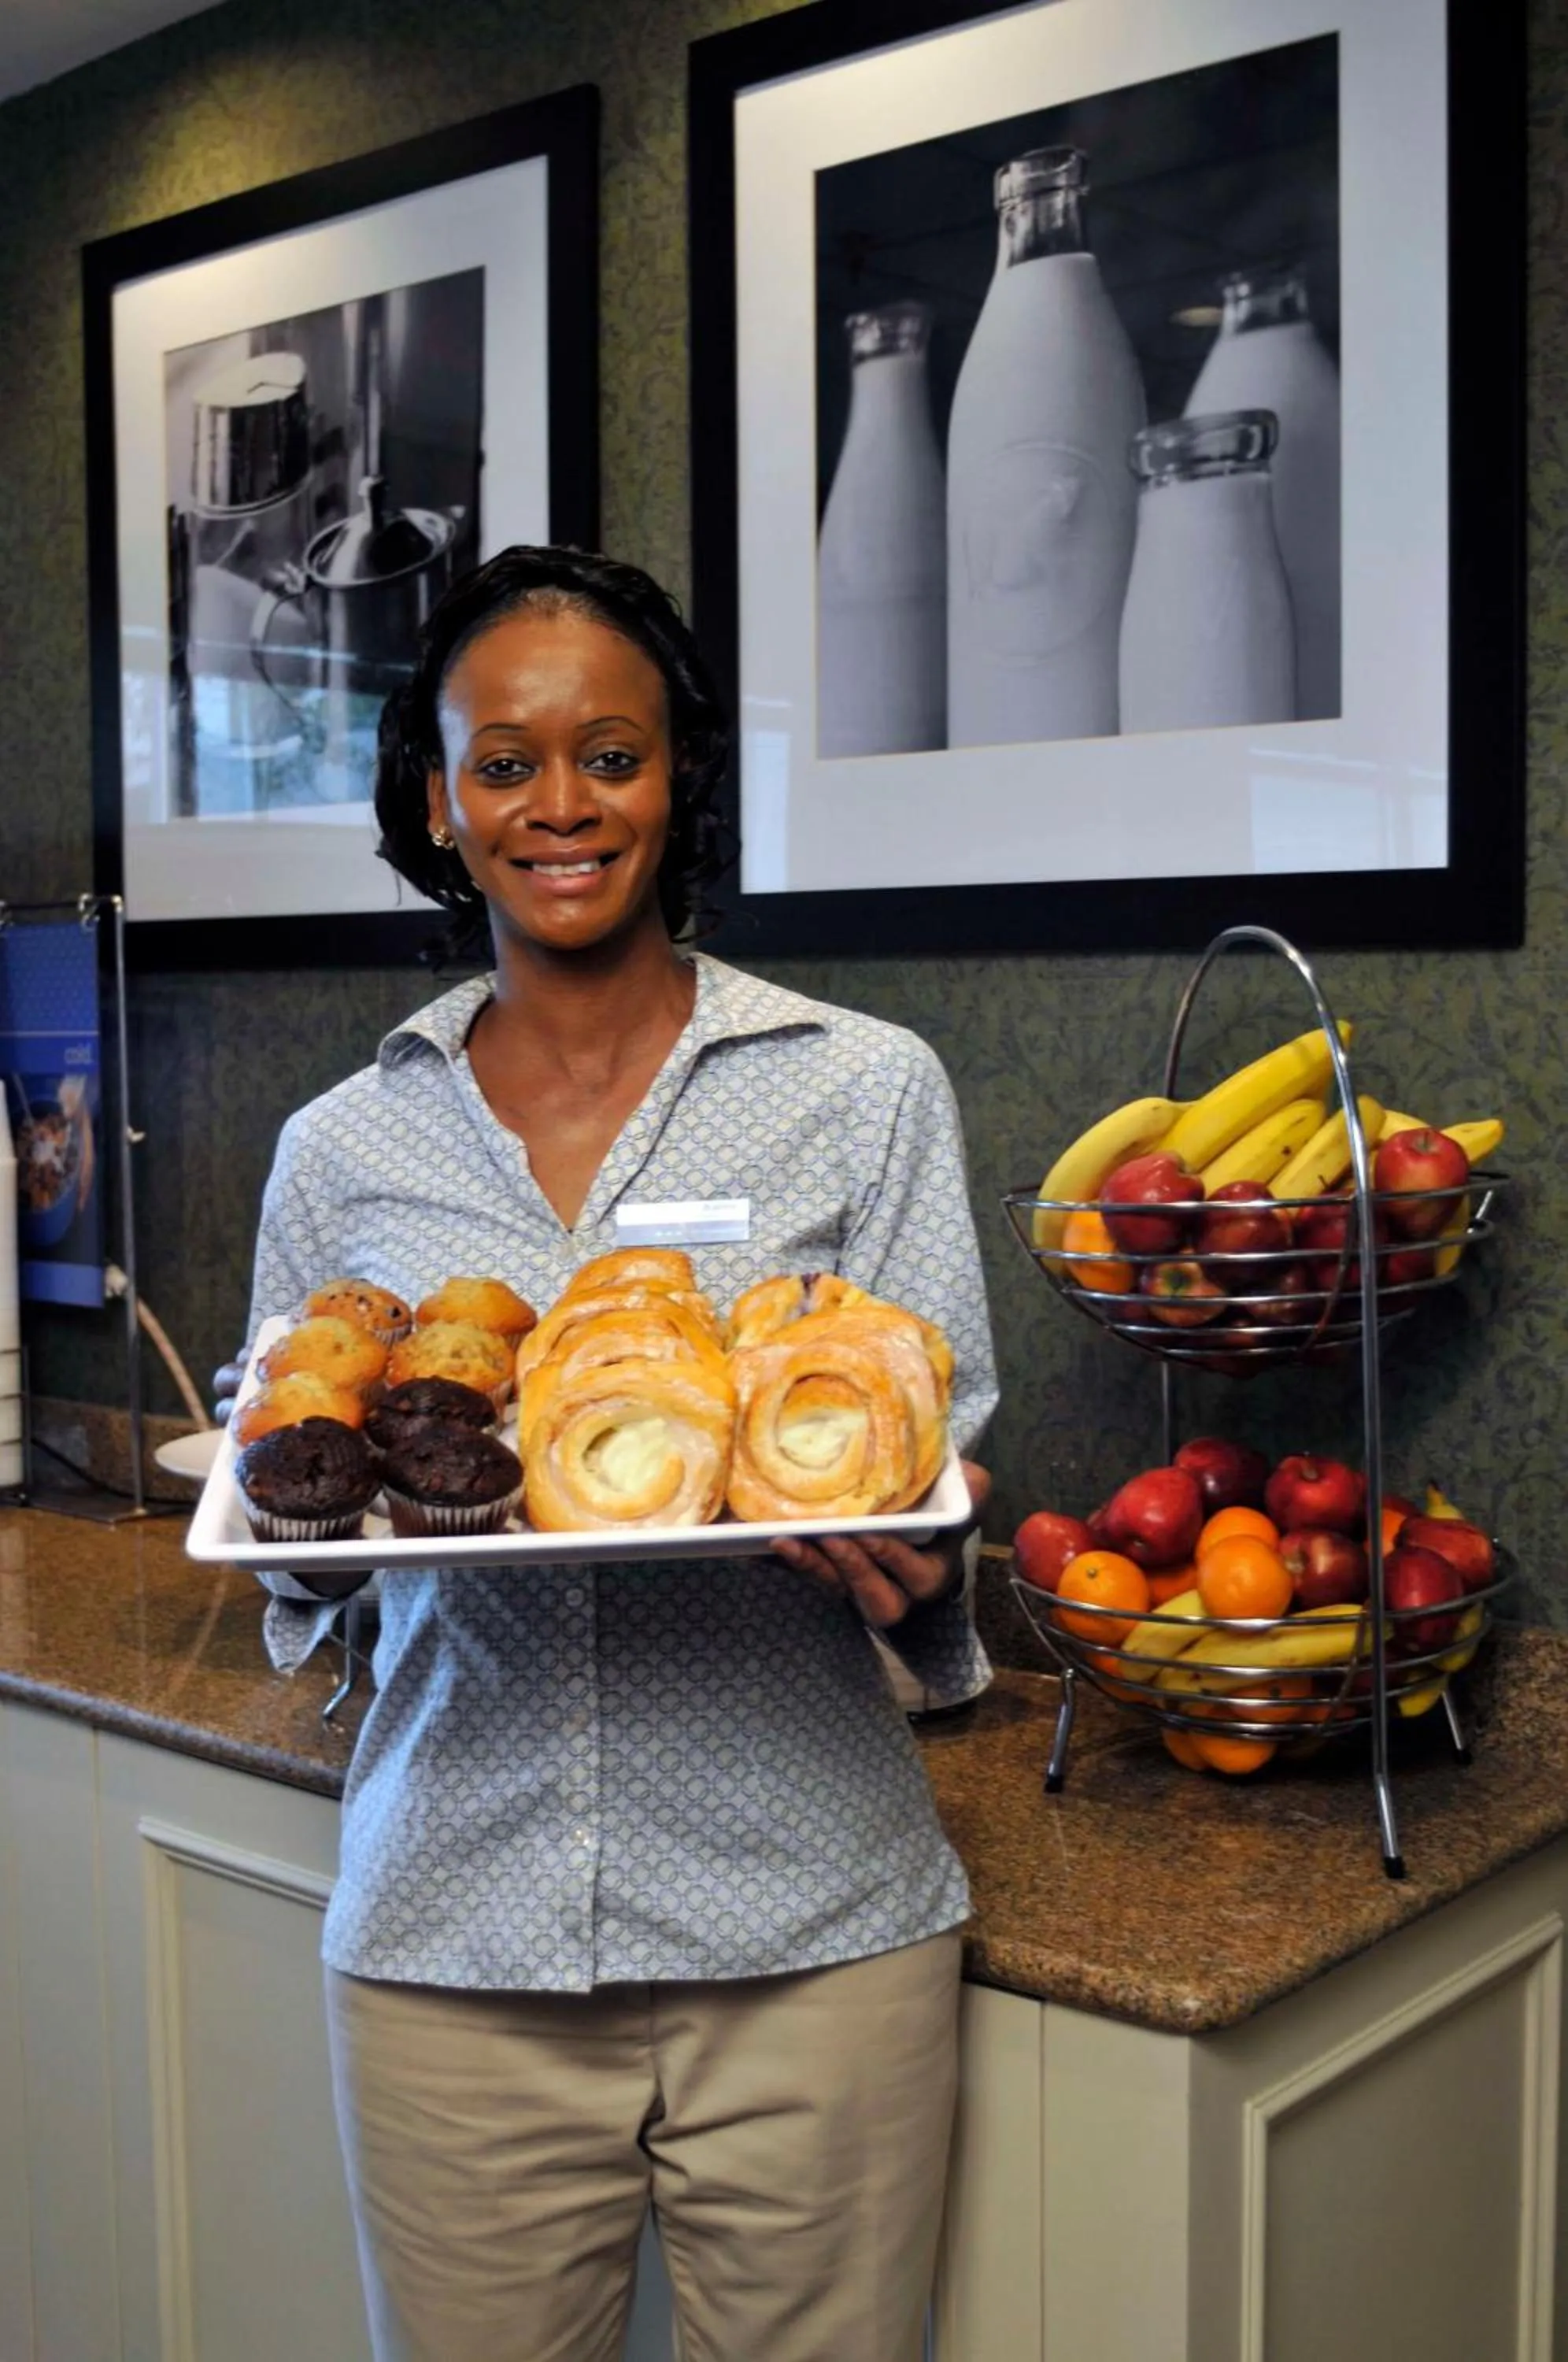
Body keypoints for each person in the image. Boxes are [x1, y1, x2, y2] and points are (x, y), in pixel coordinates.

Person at [232, 544, 997, 2362]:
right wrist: (313, 1550)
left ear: (679, 781)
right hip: (451, 1949)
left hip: (816, 1934)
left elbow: (933, 1462)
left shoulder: (862, 1084)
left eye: (612, 756)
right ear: (438, 801)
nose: (559, 805)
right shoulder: (340, 1149)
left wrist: (925, 1556)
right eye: (503, 764)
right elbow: (290, 1519)